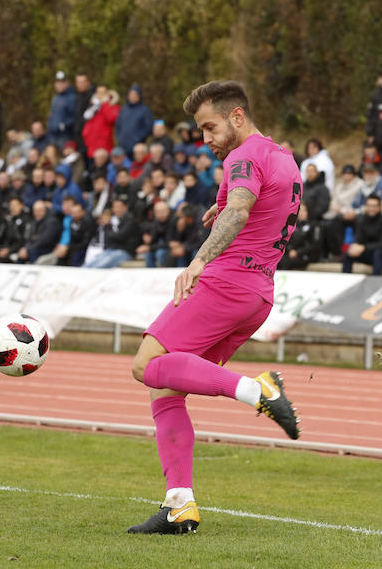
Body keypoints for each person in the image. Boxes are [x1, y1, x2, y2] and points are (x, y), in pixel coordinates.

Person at [126, 80, 301, 535]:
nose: (205, 139)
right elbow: (253, 204)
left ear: (237, 117)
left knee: (145, 366)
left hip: (225, 283)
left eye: (210, 127)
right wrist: (219, 206)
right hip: (258, 295)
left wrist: (199, 260)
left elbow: (240, 210)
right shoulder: (283, 156)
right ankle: (179, 505)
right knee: (166, 388)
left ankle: (257, 390)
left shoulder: (243, 157)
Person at [341, 193, 382, 275]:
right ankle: (345, 278)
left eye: (374, 206)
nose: (371, 208)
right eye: (369, 206)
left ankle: (375, 280)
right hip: (371, 252)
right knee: (350, 253)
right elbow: (359, 238)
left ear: (379, 207)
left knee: (378, 253)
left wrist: (364, 247)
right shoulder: (362, 220)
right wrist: (355, 246)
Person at [82, 197, 140, 268]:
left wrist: (108, 226)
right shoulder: (115, 219)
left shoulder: (130, 220)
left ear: (125, 207)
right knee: (88, 265)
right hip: (112, 250)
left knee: (98, 267)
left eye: (119, 207)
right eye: (114, 207)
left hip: (125, 251)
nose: (116, 209)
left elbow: (120, 236)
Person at [82, 87, 121, 164]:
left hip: (104, 146)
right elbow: (88, 122)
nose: (100, 95)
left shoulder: (113, 106)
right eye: (98, 93)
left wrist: (105, 104)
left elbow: (111, 118)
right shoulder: (94, 107)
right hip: (91, 146)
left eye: (102, 93)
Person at [116, 84, 154, 156]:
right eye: (131, 95)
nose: (133, 97)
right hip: (122, 146)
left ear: (139, 96)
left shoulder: (144, 110)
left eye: (135, 95)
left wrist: (138, 138)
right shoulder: (124, 109)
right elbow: (118, 125)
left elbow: (149, 127)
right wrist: (119, 138)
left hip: (138, 148)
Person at [48, 71, 77, 149]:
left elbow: (74, 116)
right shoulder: (56, 98)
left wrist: (64, 125)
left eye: (62, 82)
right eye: (57, 82)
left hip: (64, 135)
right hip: (53, 135)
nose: (59, 85)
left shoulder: (71, 97)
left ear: (67, 83)